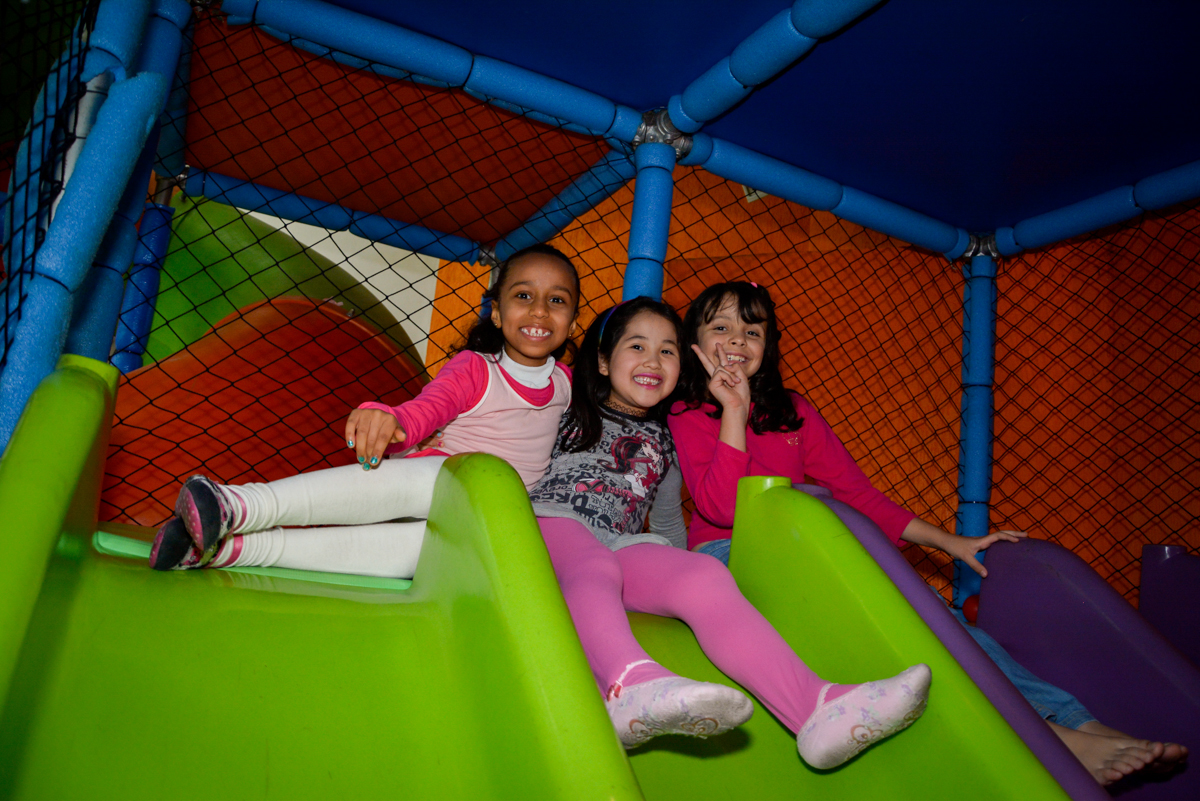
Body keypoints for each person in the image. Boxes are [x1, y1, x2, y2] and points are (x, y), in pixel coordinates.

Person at [669, 280, 1188, 785]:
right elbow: (720, 507)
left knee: (936, 616)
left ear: (768, 347)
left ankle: (1075, 724)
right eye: (721, 327)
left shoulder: (794, 413)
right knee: (894, 609)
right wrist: (732, 411)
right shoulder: (689, 411)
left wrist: (949, 542)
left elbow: (858, 495)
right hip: (729, 558)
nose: (738, 339)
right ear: (695, 345)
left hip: (805, 557)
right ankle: (1055, 735)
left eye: (753, 330)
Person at [527, 296, 931, 768]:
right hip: (547, 527)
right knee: (594, 562)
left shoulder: (665, 435)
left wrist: (673, 578)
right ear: (602, 359)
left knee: (703, 575)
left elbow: (666, 520)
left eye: (668, 351)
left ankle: (815, 709)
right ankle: (627, 683)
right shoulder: (564, 403)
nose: (653, 361)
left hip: (618, 543)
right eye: (636, 346)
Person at [147, 243, 579, 578]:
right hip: (436, 486)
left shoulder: (565, 385)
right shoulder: (477, 370)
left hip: (487, 524)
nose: (540, 310)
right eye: (524, 296)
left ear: (574, 320)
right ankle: (238, 505)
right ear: (498, 314)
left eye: (557, 301)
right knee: (438, 478)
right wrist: (393, 420)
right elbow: (428, 407)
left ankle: (227, 550)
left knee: (414, 556)